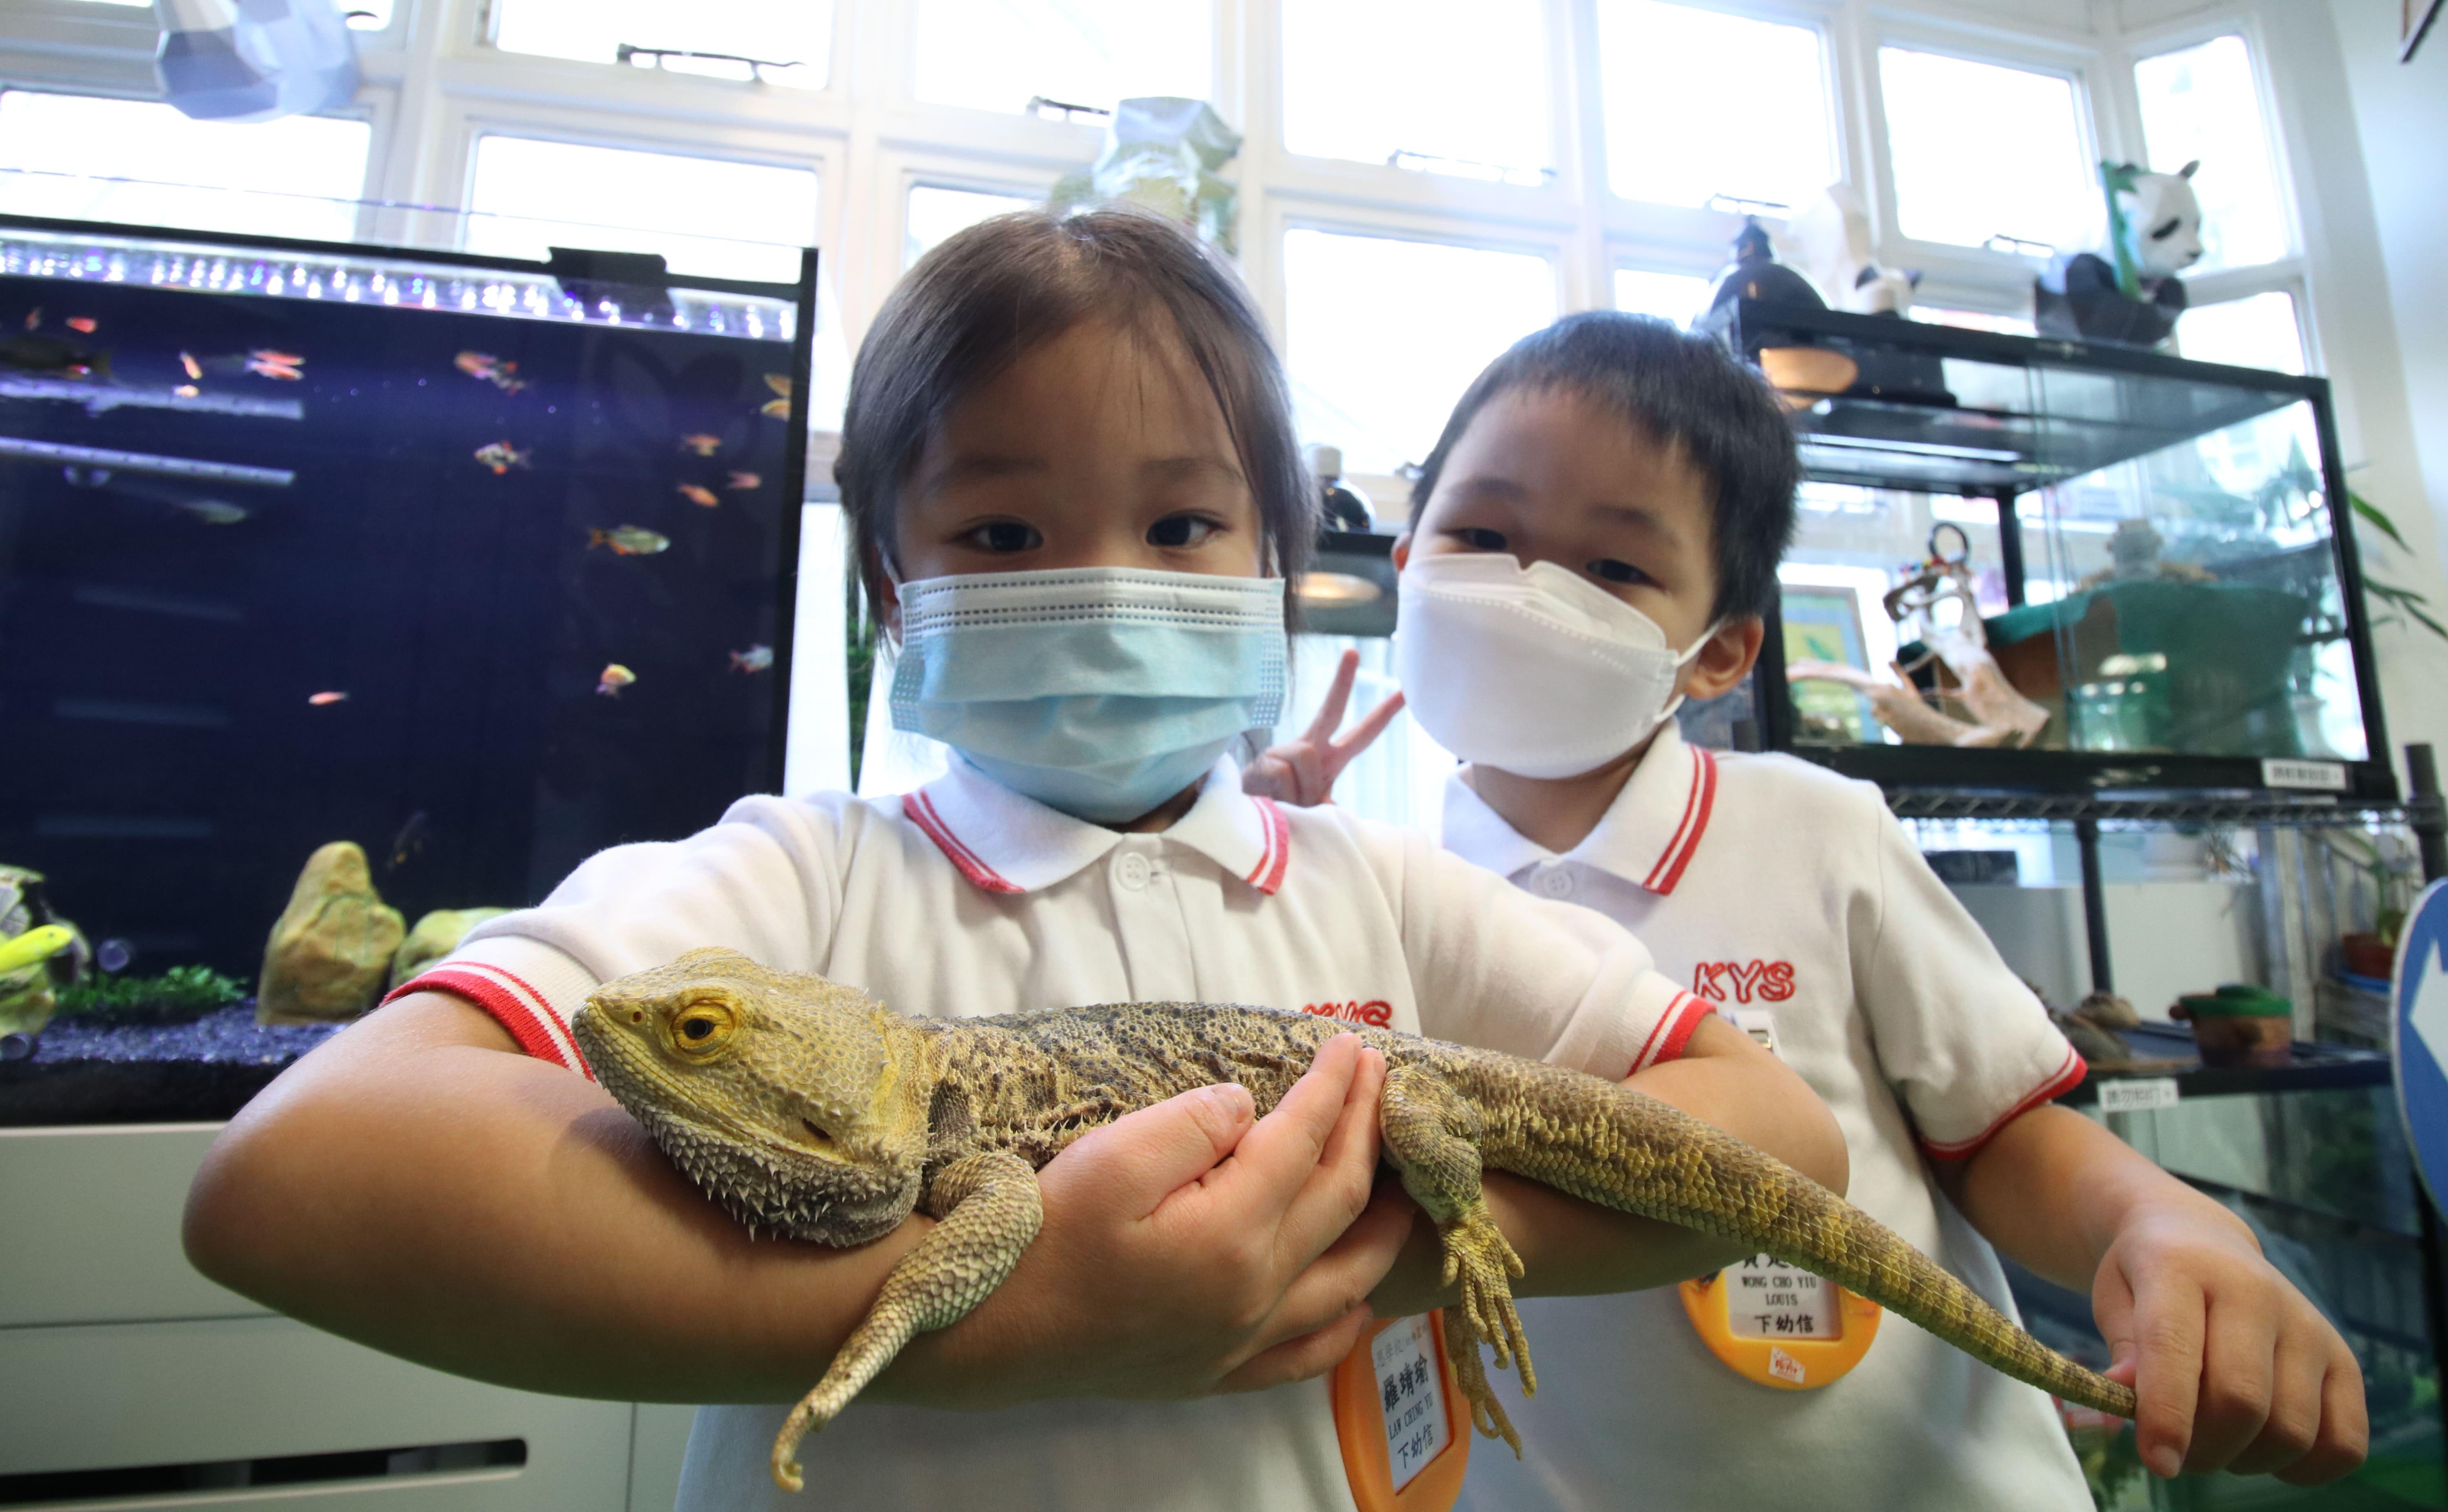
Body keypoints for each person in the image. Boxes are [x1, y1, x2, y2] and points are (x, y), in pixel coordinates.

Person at [182, 216, 1845, 1512]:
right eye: (999, 533)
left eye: (1186, 525)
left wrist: (1288, 1253)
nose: (1106, 583)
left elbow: (1774, 1136)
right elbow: (295, 1178)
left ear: (1283, 568)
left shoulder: (1383, 887)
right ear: (894, 594)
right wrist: (1004, 1312)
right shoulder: (798, 886)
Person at [1253, 311, 2368, 1508]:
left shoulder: (1818, 828)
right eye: (1483, 533)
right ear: (1408, 553)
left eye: (1617, 567)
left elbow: (1998, 1133)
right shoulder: (1373, 891)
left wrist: (2157, 1222)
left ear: (1724, 654)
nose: (1531, 590)